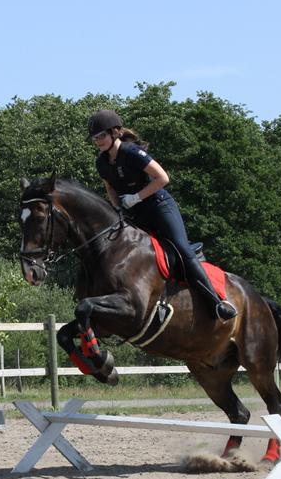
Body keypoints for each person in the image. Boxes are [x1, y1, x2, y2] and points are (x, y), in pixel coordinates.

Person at [87, 109, 237, 321]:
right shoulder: (101, 162)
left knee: (180, 249)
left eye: (101, 135)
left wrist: (137, 197)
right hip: (134, 213)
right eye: (95, 138)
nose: (98, 141)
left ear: (115, 132)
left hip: (158, 206)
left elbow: (162, 178)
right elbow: (110, 186)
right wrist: (118, 208)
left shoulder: (132, 153)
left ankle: (216, 302)